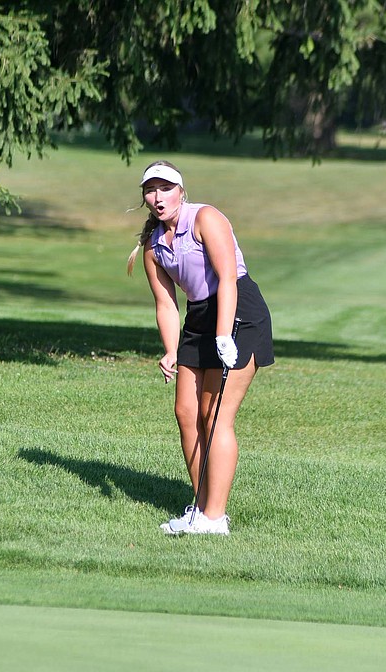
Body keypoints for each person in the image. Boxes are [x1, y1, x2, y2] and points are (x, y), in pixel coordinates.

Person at [127, 161, 274, 535]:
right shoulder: (153, 246)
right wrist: (171, 350)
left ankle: (214, 518)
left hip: (238, 311)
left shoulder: (205, 218)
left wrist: (224, 335)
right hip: (198, 317)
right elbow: (166, 304)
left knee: (214, 415)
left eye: (166, 188)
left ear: (181, 190)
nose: (158, 197)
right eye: (151, 190)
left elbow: (228, 278)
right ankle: (203, 507)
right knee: (186, 412)